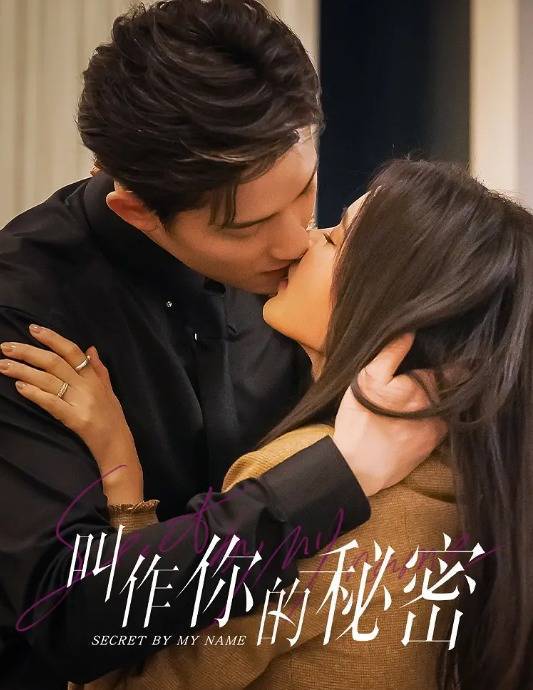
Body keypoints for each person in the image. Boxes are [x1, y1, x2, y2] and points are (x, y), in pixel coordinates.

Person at [0, 3, 441, 689]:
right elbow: (64, 617)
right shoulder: (27, 312)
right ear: (137, 210)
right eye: (247, 227)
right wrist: (337, 477)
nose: (295, 241)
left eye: (307, 190)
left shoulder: (302, 296)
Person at [5, 159, 531, 690]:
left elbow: (121, 681)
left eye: (334, 237)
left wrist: (121, 474)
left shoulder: (313, 489)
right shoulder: (480, 483)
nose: (304, 241)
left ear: (385, 301)